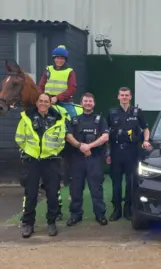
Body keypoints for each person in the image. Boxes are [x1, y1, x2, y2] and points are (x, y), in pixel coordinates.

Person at [15, 93, 67, 238]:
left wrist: (52, 152)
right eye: (41, 101)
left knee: (52, 194)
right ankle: (28, 224)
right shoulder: (26, 118)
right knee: (31, 194)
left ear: (50, 104)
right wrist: (29, 151)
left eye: (46, 101)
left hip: (51, 161)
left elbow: (61, 140)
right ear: (37, 103)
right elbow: (19, 137)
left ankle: (51, 223)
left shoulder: (58, 119)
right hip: (32, 161)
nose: (43, 104)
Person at [106, 87, 151, 221]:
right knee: (116, 183)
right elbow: (105, 133)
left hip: (132, 151)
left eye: (127, 95)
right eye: (122, 95)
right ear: (118, 97)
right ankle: (117, 209)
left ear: (130, 97)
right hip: (116, 151)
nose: (124, 97)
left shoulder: (137, 112)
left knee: (131, 181)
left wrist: (146, 140)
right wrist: (107, 152)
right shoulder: (111, 113)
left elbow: (146, 128)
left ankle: (128, 208)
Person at [65, 92, 109, 226]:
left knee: (96, 188)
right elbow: (68, 136)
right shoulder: (74, 120)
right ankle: (75, 215)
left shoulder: (100, 119)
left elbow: (105, 136)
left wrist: (89, 146)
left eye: (90, 101)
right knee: (76, 188)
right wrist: (80, 146)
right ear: (81, 103)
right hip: (77, 160)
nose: (88, 103)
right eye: (85, 101)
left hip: (94, 159)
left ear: (94, 103)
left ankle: (100, 215)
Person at [39, 45, 78, 118]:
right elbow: (41, 86)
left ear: (65, 59)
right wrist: (43, 97)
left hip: (64, 102)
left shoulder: (70, 72)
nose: (59, 61)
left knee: (73, 118)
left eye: (62, 58)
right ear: (54, 59)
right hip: (47, 101)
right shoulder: (48, 70)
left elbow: (71, 89)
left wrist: (57, 98)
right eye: (57, 58)